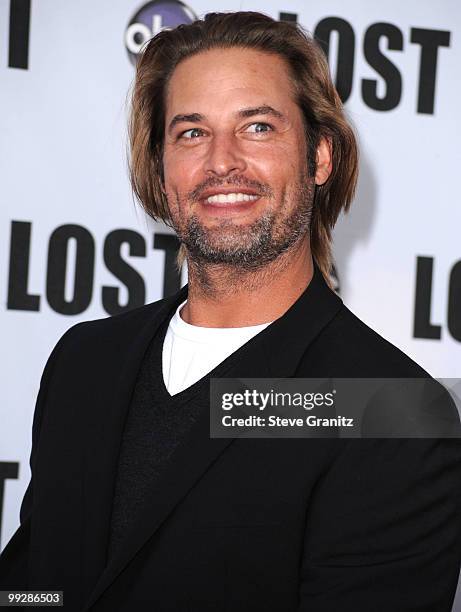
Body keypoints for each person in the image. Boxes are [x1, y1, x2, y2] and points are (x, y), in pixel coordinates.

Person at [1, 11, 460, 612]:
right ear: (162, 170)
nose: (222, 162)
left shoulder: (390, 411)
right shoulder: (86, 361)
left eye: (259, 128)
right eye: (191, 133)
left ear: (320, 157)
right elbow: (38, 585)